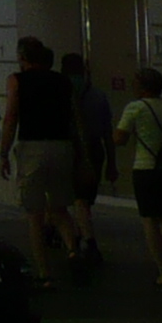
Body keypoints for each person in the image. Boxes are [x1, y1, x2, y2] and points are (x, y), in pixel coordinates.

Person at [1, 36, 75, 280]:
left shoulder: (17, 81)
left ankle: (44, 272)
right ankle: (74, 250)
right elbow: (74, 118)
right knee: (60, 208)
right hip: (62, 146)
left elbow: (11, 117)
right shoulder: (63, 82)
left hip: (32, 147)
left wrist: (3, 151)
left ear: (23, 58)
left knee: (34, 214)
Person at [112, 63, 162, 286]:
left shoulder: (136, 108)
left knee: (149, 220)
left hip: (146, 168)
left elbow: (119, 139)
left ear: (142, 87)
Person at [60, 49, 112, 270]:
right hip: (94, 149)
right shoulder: (98, 95)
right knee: (85, 198)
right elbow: (107, 131)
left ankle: (81, 240)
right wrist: (113, 161)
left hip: (69, 147)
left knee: (69, 198)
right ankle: (85, 235)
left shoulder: (60, 92)